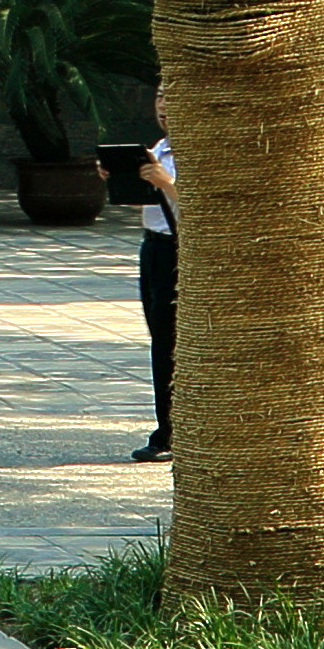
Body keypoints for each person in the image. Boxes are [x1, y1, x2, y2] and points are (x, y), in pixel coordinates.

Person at [134, 84, 178, 463]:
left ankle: (170, 433)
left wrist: (166, 183)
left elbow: (202, 202)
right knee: (159, 338)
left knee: (172, 341)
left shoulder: (199, 151)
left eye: (172, 95)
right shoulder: (159, 148)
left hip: (181, 249)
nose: (163, 105)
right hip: (153, 247)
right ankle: (166, 427)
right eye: (159, 96)